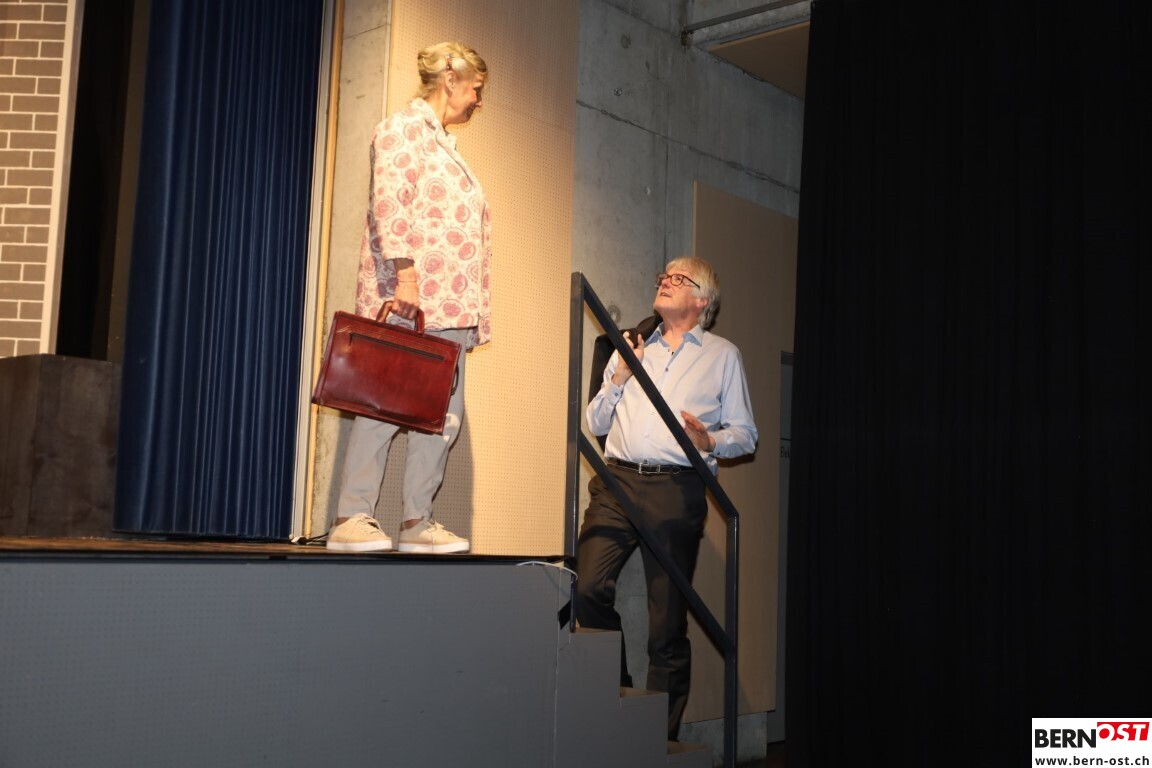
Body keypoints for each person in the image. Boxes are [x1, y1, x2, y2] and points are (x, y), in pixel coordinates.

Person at [576, 256, 757, 740]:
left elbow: (746, 435)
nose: (665, 282)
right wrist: (618, 379)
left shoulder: (723, 356)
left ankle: (657, 739)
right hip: (616, 483)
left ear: (703, 300)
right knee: (587, 589)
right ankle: (618, 701)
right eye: (664, 276)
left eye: (679, 279)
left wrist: (709, 441)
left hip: (676, 489)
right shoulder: (630, 345)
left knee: (666, 625)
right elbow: (594, 422)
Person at [326, 42, 490, 554]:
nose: (478, 100)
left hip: (452, 306)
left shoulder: (444, 143)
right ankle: (352, 515)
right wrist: (407, 278)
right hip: (413, 300)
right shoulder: (402, 130)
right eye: (475, 88)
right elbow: (390, 205)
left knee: (441, 419)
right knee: (382, 404)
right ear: (450, 80)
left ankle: (418, 519)